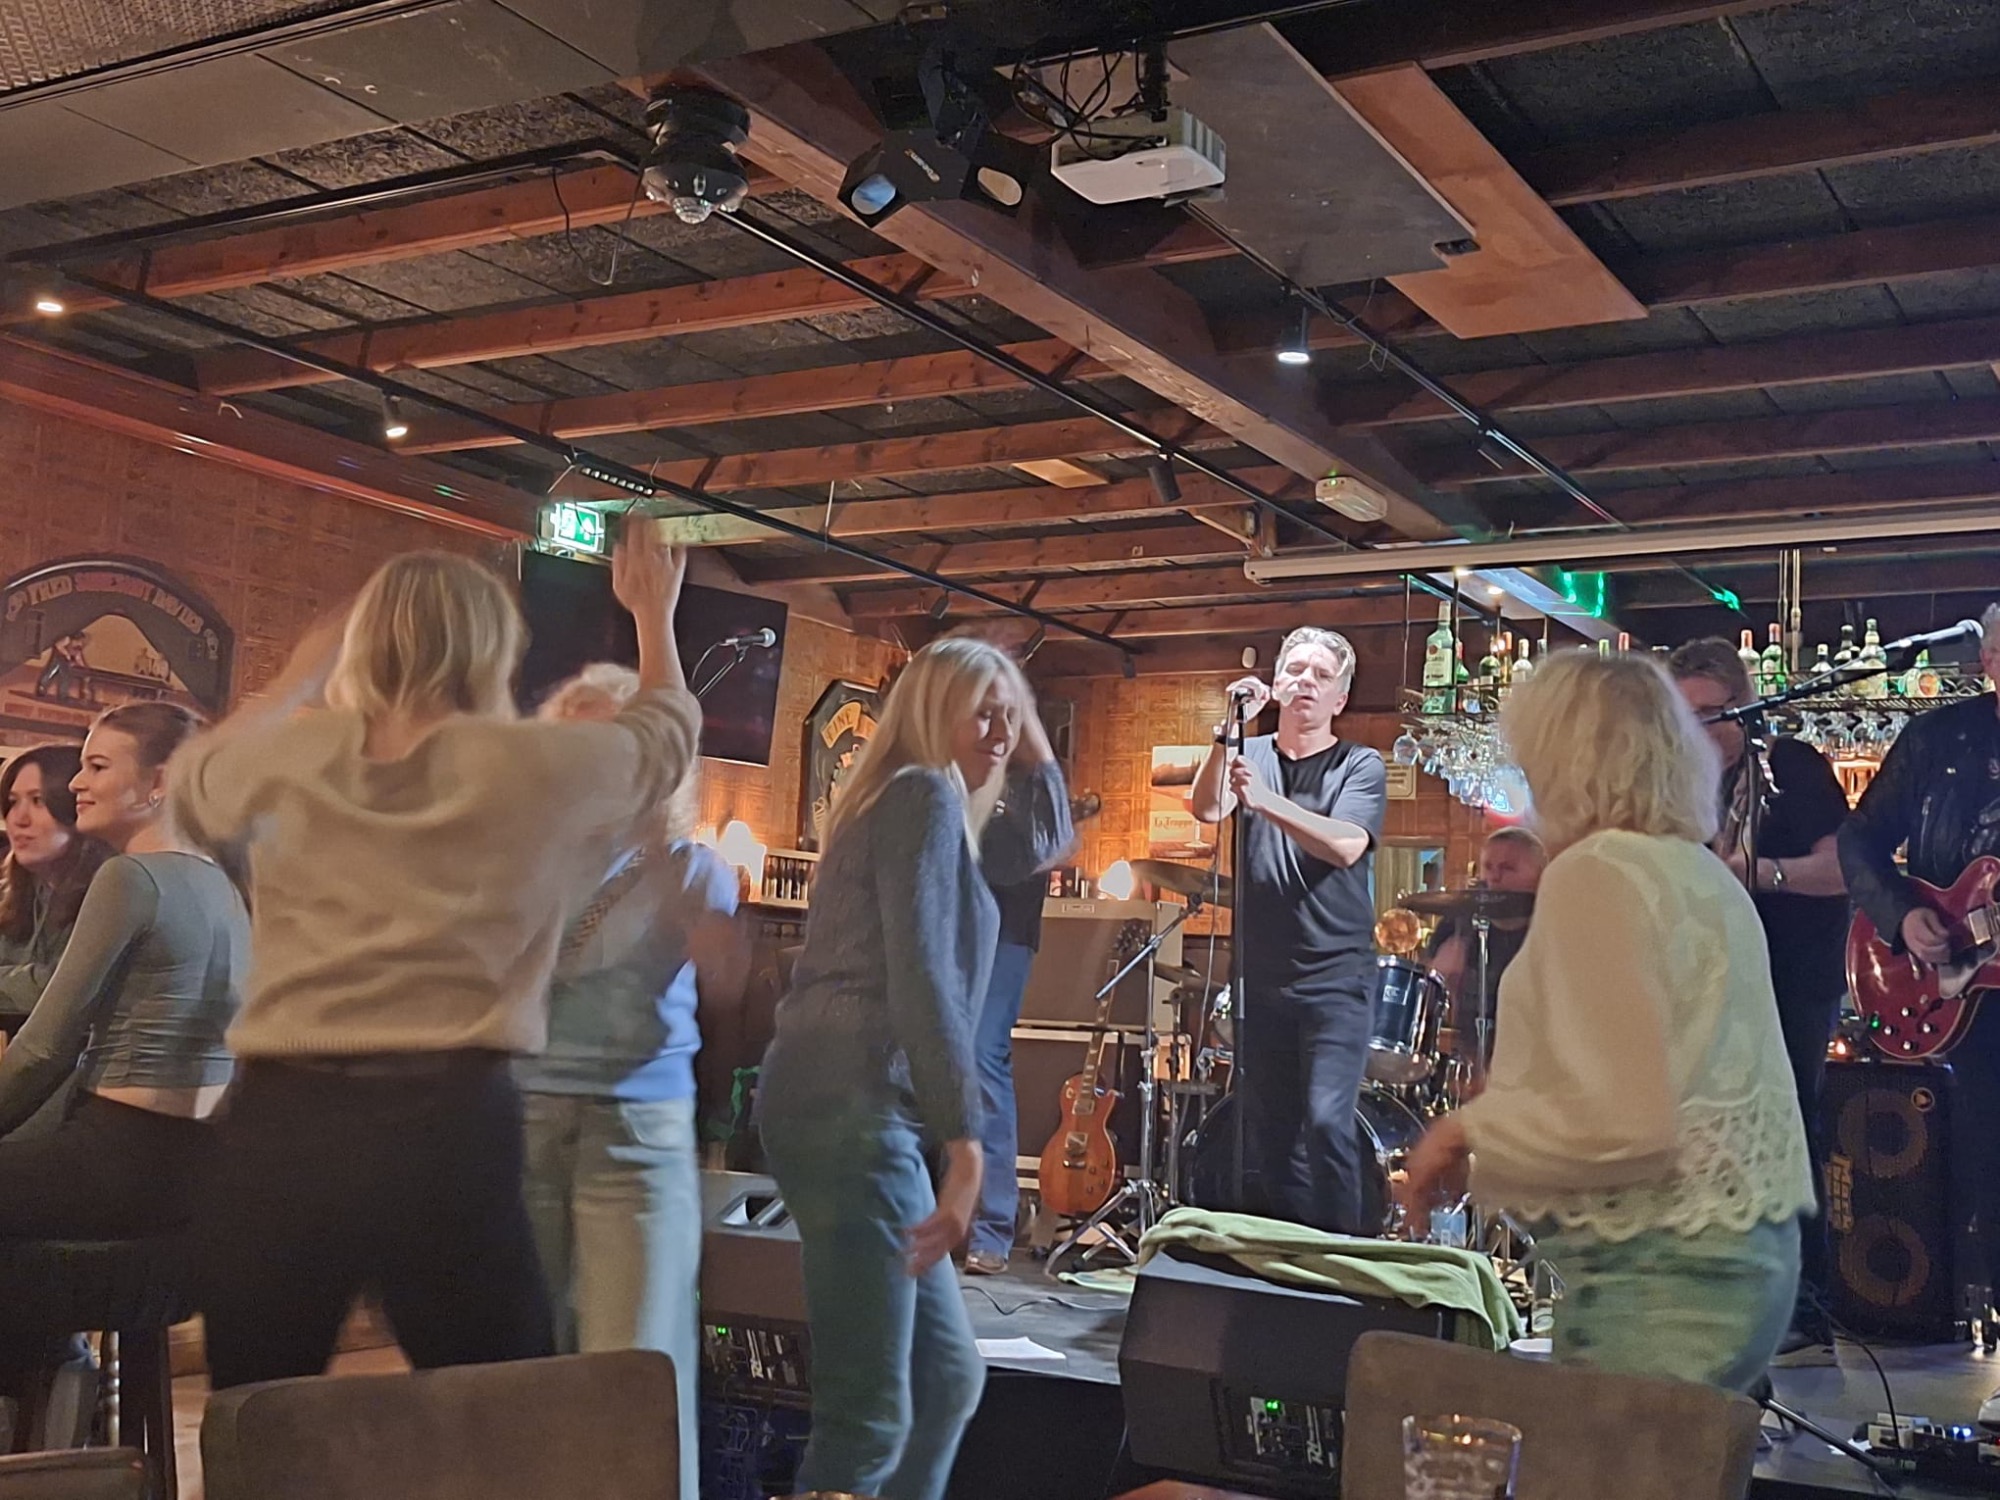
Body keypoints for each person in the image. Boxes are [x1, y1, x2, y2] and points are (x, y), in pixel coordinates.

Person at [170, 531, 701, 1389]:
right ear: (495, 647)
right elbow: (665, 737)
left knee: (259, 1400)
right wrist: (653, 617)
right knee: (493, 1403)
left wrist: (298, 674)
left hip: (284, 1119)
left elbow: (193, 786)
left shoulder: (295, 756)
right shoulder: (523, 763)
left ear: (365, 641)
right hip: (447, 1120)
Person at [1399, 649, 1814, 1392]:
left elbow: (1624, 1121)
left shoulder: (1597, 872)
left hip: (1663, 1268)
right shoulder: (1700, 871)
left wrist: (1464, 1130)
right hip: (1743, 1256)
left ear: (1567, 759)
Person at [757, 636, 1071, 1500]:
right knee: (870, 1411)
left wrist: (1028, 724)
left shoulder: (932, 808)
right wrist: (968, 1147)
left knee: (945, 1381)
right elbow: (922, 977)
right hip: (850, 1105)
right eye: (982, 712)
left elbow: (1046, 840)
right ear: (932, 712)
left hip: (852, 1104)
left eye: (1009, 714)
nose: (1001, 731)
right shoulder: (920, 796)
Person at [517, 663, 749, 1500]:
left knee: (636, 1367)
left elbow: (727, 981)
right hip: (521, 1118)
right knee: (524, 1367)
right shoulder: (517, 859)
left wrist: (697, 918)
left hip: (636, 1133)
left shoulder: (688, 866)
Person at [1837, 603, 2000, 1420]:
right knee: (1978, 1168)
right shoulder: (1940, 740)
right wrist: (1903, 916)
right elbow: (1858, 841)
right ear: (1990, 661)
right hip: (1958, 991)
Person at [1668, 637, 1850, 1365]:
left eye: (1711, 714)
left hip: (1793, 976)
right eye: (1682, 716)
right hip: (1709, 979)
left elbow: (1842, 870)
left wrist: (1757, 871)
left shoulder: (1791, 768)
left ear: (1745, 708)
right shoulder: (1676, 784)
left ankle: (1805, 1305)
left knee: (1787, 1127)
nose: (1698, 731)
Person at [0, 704, 245, 1240]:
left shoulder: (130, 876)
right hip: (194, 1161)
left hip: (118, 1155)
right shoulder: (222, 881)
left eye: (97, 766)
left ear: (158, 782)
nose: (77, 783)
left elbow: (43, 1051)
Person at [1189, 626, 1386, 1233]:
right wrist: (1228, 732)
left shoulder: (1359, 764)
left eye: (1321, 676)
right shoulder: (1248, 753)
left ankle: (1345, 1261)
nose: (1306, 682)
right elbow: (1207, 807)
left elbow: (1346, 845)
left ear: (1339, 699)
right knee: (1271, 1136)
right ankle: (1293, 1264)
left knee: (1327, 1123)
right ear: (1275, 684)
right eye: (1295, 670)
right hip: (1261, 975)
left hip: (1335, 978)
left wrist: (1267, 802)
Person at [0, 745, 109, 1031]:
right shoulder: (17, 890)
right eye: (12, 802)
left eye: (38, 801)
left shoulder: (109, 892)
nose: (19, 819)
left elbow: (59, 987)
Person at [1425, 826, 1547, 1038]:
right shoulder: (1457, 922)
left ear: (1540, 874)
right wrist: (1438, 978)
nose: (1494, 877)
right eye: (1488, 867)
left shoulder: (1552, 926)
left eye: (1508, 868)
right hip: (1464, 1047)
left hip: (1532, 1044)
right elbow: (1423, 1000)